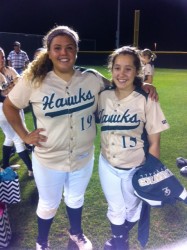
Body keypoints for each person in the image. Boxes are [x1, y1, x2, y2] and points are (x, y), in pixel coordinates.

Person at [3, 26, 158, 250]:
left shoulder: (91, 78)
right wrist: (24, 135)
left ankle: (76, 234)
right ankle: (42, 242)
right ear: (49, 51)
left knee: (75, 198)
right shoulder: (34, 81)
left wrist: (142, 84)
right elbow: (9, 106)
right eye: (57, 48)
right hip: (49, 159)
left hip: (83, 157)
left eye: (69, 47)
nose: (63, 52)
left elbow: (119, 85)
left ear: (76, 51)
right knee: (48, 203)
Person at [97, 46, 169, 250]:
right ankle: (120, 242)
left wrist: (151, 171)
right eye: (117, 68)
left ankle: (120, 238)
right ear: (111, 70)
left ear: (137, 71)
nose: (121, 74)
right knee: (116, 208)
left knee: (132, 208)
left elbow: (155, 141)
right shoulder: (103, 97)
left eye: (128, 69)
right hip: (108, 164)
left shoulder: (147, 98)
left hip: (136, 166)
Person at [0, 47, 33, 176]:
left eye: (2, 56)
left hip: (15, 107)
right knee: (19, 138)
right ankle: (31, 169)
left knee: (9, 137)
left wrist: (12, 91)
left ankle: (5, 166)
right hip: (3, 110)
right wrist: (11, 95)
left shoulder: (9, 70)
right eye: (0, 57)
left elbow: (20, 84)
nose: (2, 59)